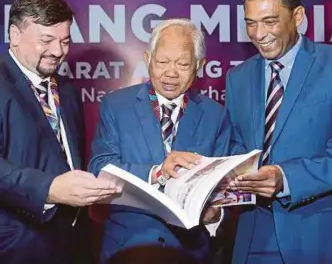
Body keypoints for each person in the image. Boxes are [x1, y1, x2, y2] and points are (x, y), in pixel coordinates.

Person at [0, 0, 120, 264]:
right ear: (15, 34)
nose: (58, 51)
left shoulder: (66, 90)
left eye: (65, 41)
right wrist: (50, 188)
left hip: (61, 245)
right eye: (46, 40)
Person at [224, 0, 332, 263]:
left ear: (298, 16)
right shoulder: (236, 78)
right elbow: (235, 148)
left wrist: (286, 178)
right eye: (250, 23)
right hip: (254, 235)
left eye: (270, 21)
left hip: (322, 235)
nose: (258, 34)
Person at [89, 18, 230, 263]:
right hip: (128, 249)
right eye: (162, 62)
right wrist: (156, 172)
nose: (171, 73)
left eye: (183, 64)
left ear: (199, 65)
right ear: (147, 59)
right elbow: (99, 169)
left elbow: (224, 187)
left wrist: (215, 215)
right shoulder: (116, 105)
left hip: (189, 252)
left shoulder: (215, 115)